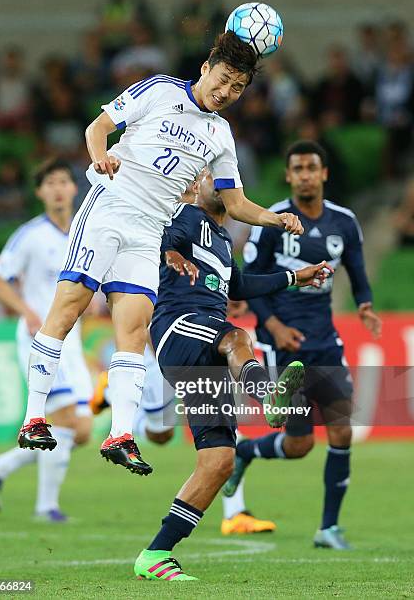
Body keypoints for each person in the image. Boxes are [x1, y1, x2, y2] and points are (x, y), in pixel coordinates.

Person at [18, 31, 304, 476]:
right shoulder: (160, 89)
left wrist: (275, 218)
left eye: (237, 88)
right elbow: (98, 128)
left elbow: (235, 205)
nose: (226, 93)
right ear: (206, 68)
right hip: (109, 206)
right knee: (70, 304)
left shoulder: (221, 135)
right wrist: (100, 159)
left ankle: (121, 434)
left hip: (150, 230)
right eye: (223, 80)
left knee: (133, 331)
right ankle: (33, 417)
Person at [133, 169, 331, 581]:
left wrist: (296, 277)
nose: (216, 181)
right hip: (179, 327)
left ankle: (155, 555)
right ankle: (270, 394)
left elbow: (238, 285)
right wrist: (170, 255)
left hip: (201, 350)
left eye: (224, 177)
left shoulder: (223, 240)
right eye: (209, 175)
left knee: (219, 460)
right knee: (237, 336)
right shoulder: (186, 215)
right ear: (196, 183)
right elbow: (163, 240)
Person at [224, 140, 382, 549]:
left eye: (312, 167)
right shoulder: (273, 221)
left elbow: (358, 269)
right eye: (298, 168)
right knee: (299, 444)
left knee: (342, 430)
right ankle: (246, 454)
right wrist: (272, 325)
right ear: (289, 175)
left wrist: (365, 304)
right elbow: (249, 281)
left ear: (324, 173)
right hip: (284, 343)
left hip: (325, 342)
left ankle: (328, 528)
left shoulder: (344, 223)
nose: (306, 174)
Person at [0, 159, 93, 522]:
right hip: (40, 338)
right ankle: (46, 507)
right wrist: (28, 311)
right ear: (40, 193)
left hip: (72, 340)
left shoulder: (85, 232)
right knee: (61, 422)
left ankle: (1, 465)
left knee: (81, 431)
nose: (59, 188)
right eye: (50, 183)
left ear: (75, 188)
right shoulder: (30, 234)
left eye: (64, 181)